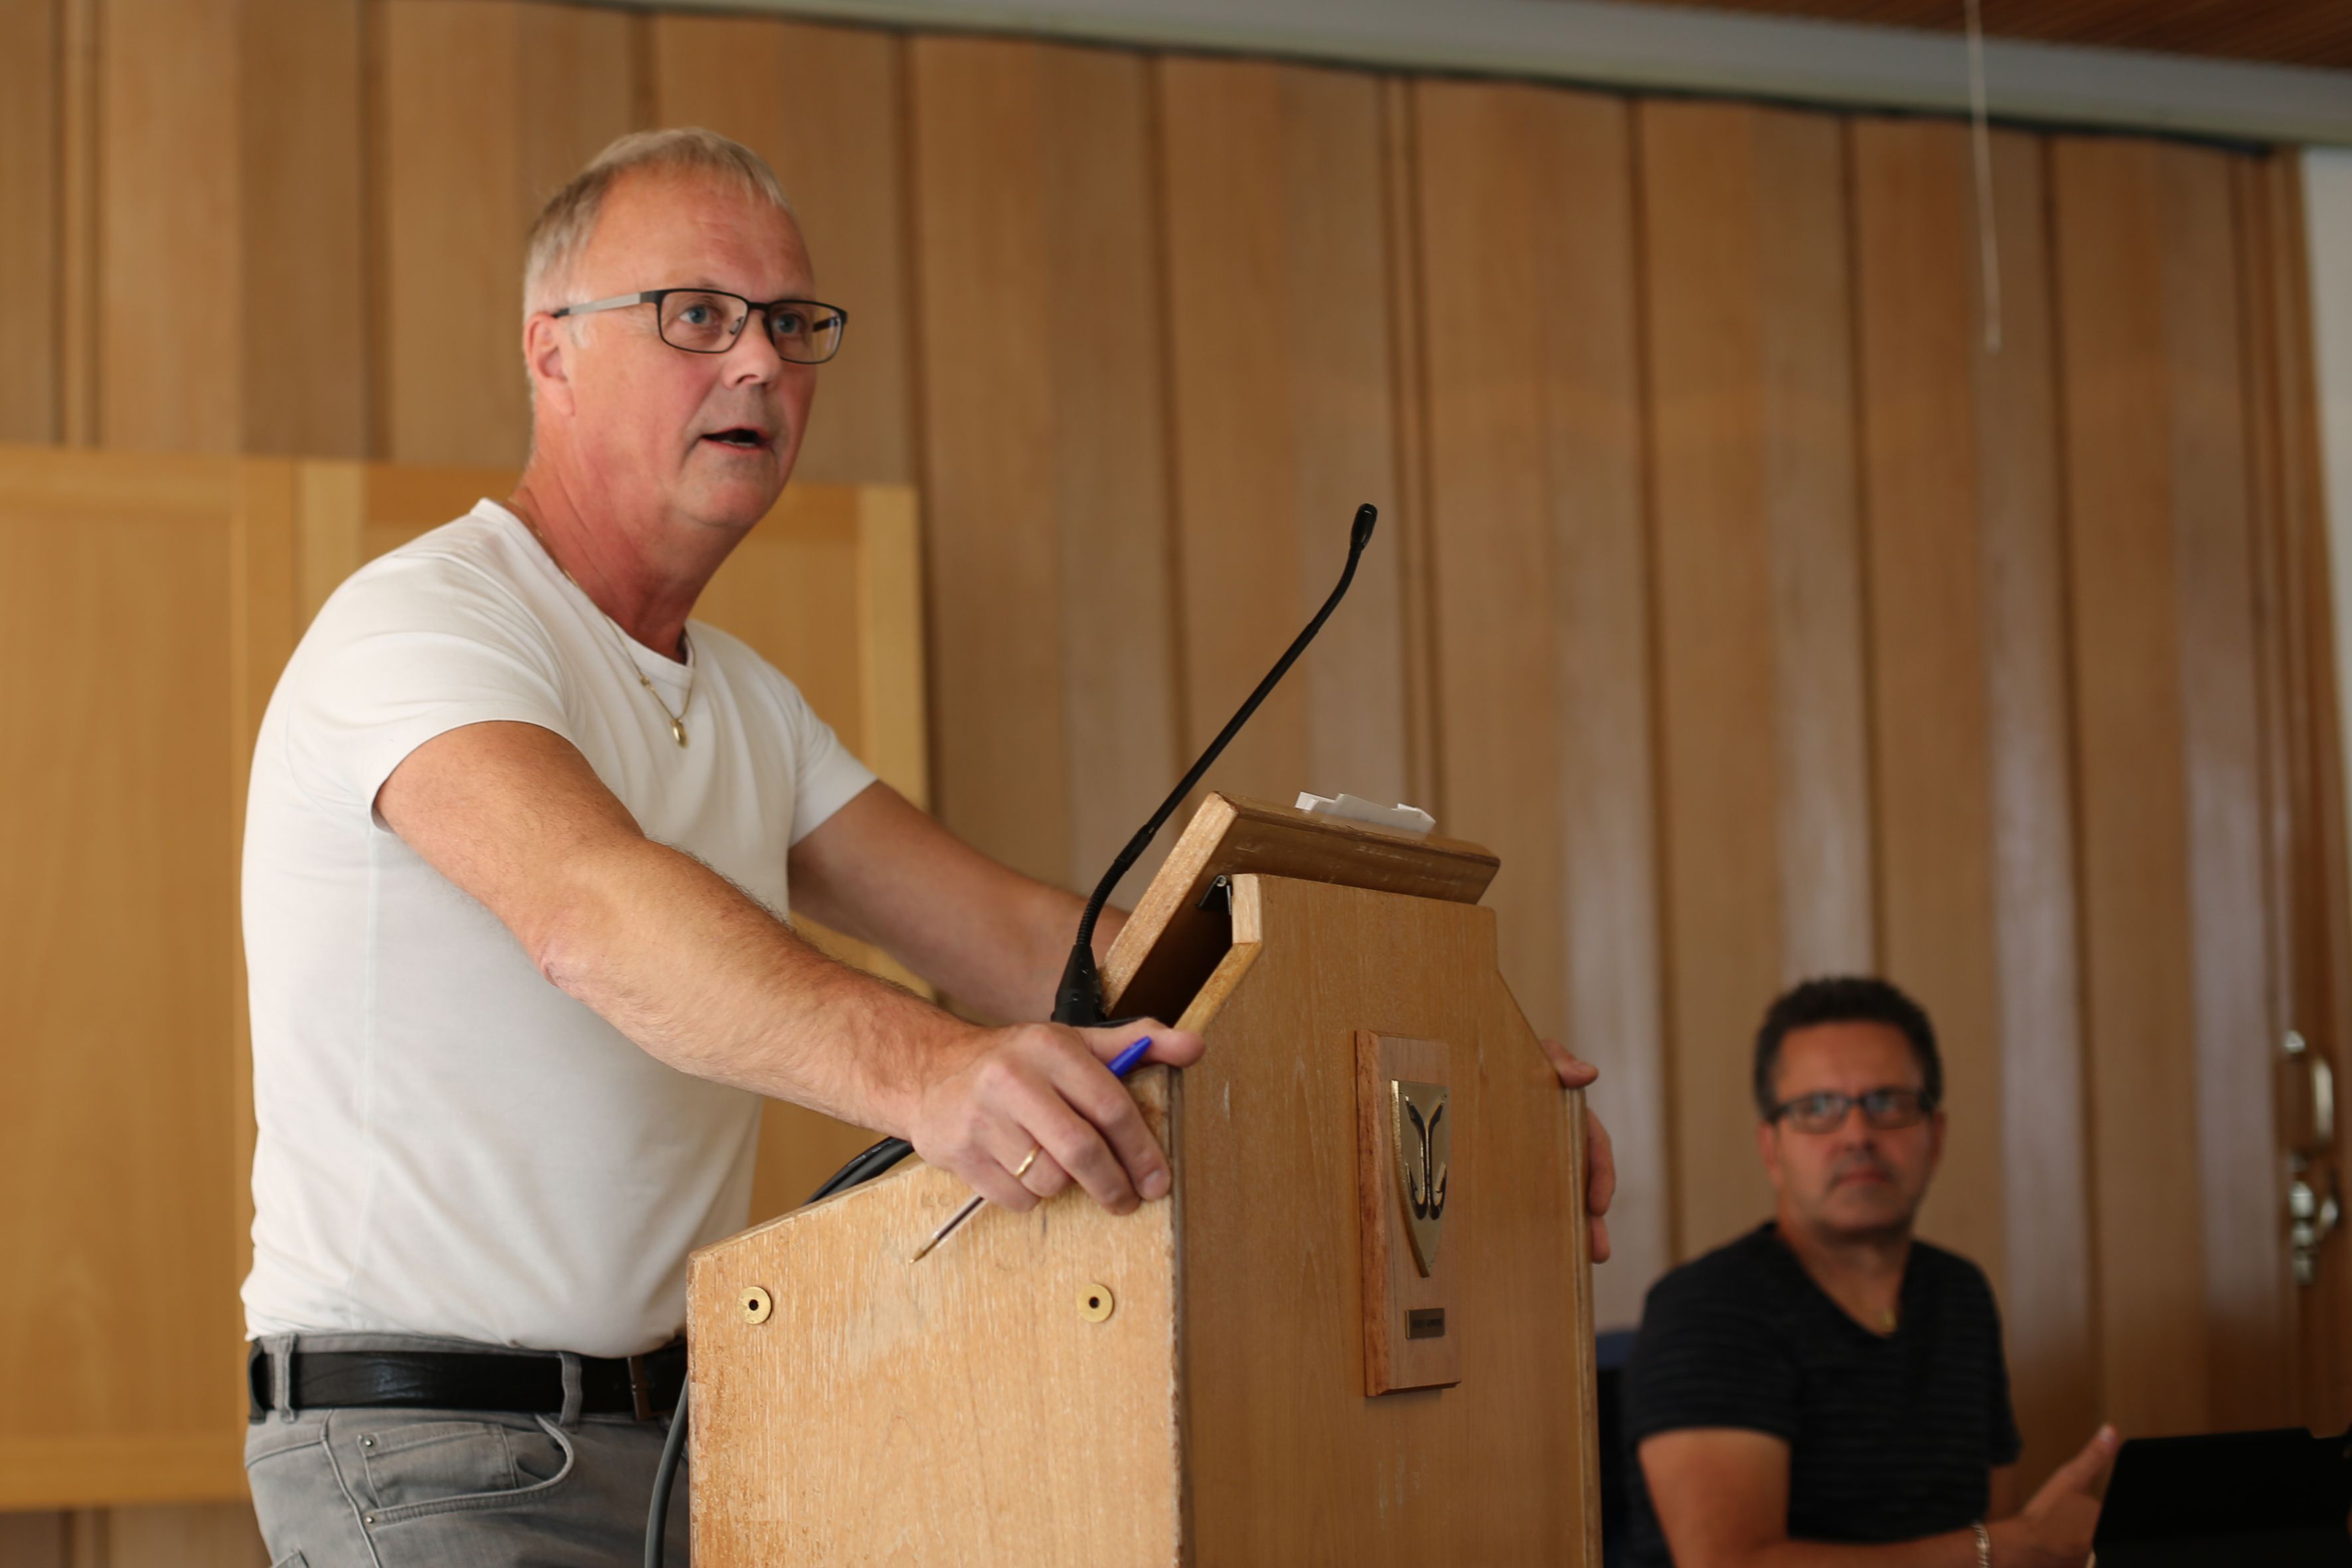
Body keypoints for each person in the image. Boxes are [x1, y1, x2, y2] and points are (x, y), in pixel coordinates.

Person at [238, 128, 1615, 1567]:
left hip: (686, 1441)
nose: (758, 363)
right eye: (697, 315)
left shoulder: (745, 701)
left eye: (790, 323)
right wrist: (929, 1071)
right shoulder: (426, 623)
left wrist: (1419, 1067)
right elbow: (591, 911)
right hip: (432, 1449)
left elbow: (1022, 945)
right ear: (552, 349)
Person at [1621, 977, 2112, 1568]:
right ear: (1771, 1148)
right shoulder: (1709, 1308)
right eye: (1816, 1108)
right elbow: (1728, 1565)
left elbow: (1997, 1535)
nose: (1857, 1135)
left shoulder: (1957, 1294)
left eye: (1888, 1103)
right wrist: (2006, 1547)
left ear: (1935, 1137)